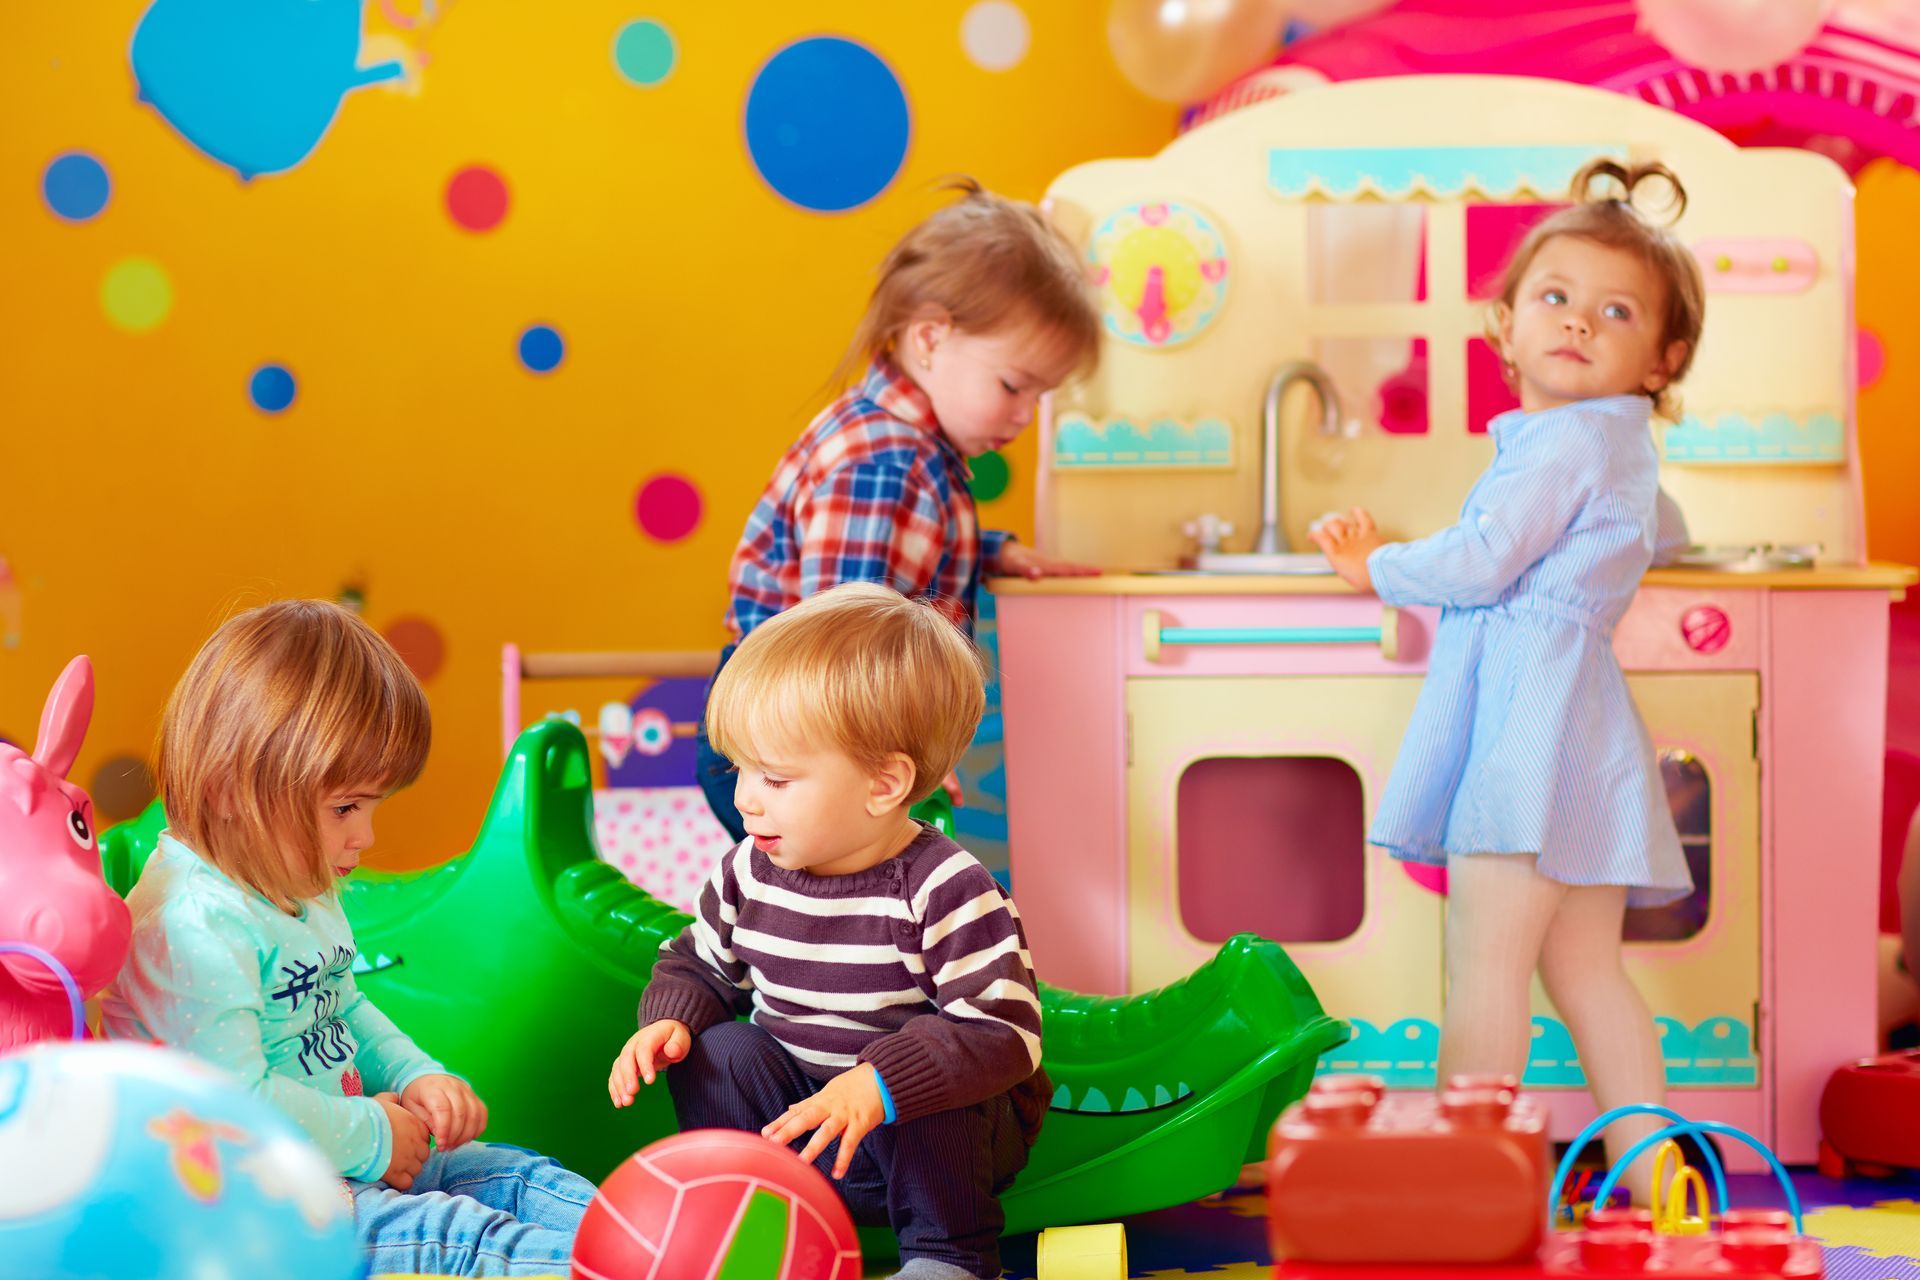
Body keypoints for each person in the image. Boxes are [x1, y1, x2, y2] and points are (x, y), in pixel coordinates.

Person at [1310, 158, 1704, 1202]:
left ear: (1660, 359)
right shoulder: (1617, 444)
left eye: (1614, 312)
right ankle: (1657, 1172)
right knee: (1586, 973)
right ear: (1506, 322)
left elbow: (1485, 557)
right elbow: (1663, 528)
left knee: (1483, 962)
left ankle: (1467, 1173)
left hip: (1530, 729)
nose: (1578, 321)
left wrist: (1378, 565)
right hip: (1583, 734)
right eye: (1557, 298)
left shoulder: (1560, 440)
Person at [102, 599, 594, 1277]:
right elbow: (235, 1106)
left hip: (347, 1157)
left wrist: (416, 1073)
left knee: (518, 1179)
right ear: (228, 792)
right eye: (344, 809)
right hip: (246, 1205)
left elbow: (342, 1004)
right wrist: (374, 1136)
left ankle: (665, 1237)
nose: (365, 837)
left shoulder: (289, 877)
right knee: (459, 1241)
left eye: (370, 806)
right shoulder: (188, 928)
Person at [611, 583, 1045, 1280]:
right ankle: (749, 1214)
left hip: (926, 1142)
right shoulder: (748, 870)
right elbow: (699, 963)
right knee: (720, 1048)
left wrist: (880, 1084)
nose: (747, 798)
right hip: (804, 1124)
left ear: (884, 784)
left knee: (932, 1069)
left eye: (776, 779)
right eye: (741, 770)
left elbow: (1005, 1033)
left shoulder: (945, 887)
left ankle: (948, 1254)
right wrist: (670, 1022)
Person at [699, 178, 1104, 841]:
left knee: (838, 917)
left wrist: (994, 550)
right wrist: (884, 753)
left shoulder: (912, 455)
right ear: (930, 339)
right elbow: (838, 639)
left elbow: (905, 556)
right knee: (829, 921)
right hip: (796, 747)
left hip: (811, 740)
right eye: (1013, 385)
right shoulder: (884, 464)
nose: (1025, 416)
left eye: (1041, 397)